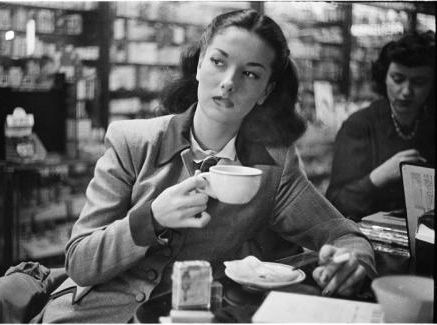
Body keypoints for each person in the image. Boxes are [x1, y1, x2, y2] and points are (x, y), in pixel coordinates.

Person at [40, 10, 376, 323]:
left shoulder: (273, 166)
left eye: (250, 73)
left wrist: (353, 262)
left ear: (265, 91)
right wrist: (151, 219)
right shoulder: (132, 141)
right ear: (200, 64)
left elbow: (342, 234)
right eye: (218, 62)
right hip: (96, 314)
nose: (229, 82)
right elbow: (80, 262)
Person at [326, 32, 435, 221]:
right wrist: (378, 177)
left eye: (419, 82)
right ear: (383, 77)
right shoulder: (359, 126)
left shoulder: (431, 122)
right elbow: (335, 205)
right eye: (398, 79)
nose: (406, 91)